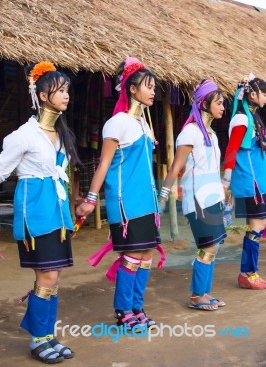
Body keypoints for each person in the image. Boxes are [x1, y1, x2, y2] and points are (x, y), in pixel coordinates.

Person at [0, 61, 79, 363]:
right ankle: (38, 340)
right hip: (34, 211)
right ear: (43, 95)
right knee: (46, 276)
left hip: (57, 213)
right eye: (60, 90)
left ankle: (47, 336)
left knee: (53, 277)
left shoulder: (60, 133)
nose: (66, 95)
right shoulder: (23, 135)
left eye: (67, 90)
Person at [76, 57, 162, 330]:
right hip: (126, 202)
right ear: (132, 89)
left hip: (146, 201)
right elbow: (104, 163)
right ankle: (123, 310)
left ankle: (137, 306)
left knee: (147, 255)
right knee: (133, 256)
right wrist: (91, 199)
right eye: (148, 86)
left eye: (154, 87)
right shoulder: (117, 123)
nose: (152, 91)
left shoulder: (144, 125)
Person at [159, 79, 226, 311]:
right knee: (208, 246)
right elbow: (176, 166)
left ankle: (205, 292)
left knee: (214, 246)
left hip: (213, 197)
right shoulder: (190, 132)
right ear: (204, 104)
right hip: (197, 199)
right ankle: (197, 296)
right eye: (218, 103)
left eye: (223, 103)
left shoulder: (212, 135)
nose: (222, 107)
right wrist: (164, 194)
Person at [223, 74, 266, 289]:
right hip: (251, 182)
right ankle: (248, 273)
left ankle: (249, 272)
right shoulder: (242, 118)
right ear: (252, 93)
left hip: (259, 180)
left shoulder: (252, 115)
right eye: (263, 92)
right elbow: (231, 149)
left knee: (258, 225)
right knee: (257, 225)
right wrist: (226, 180)